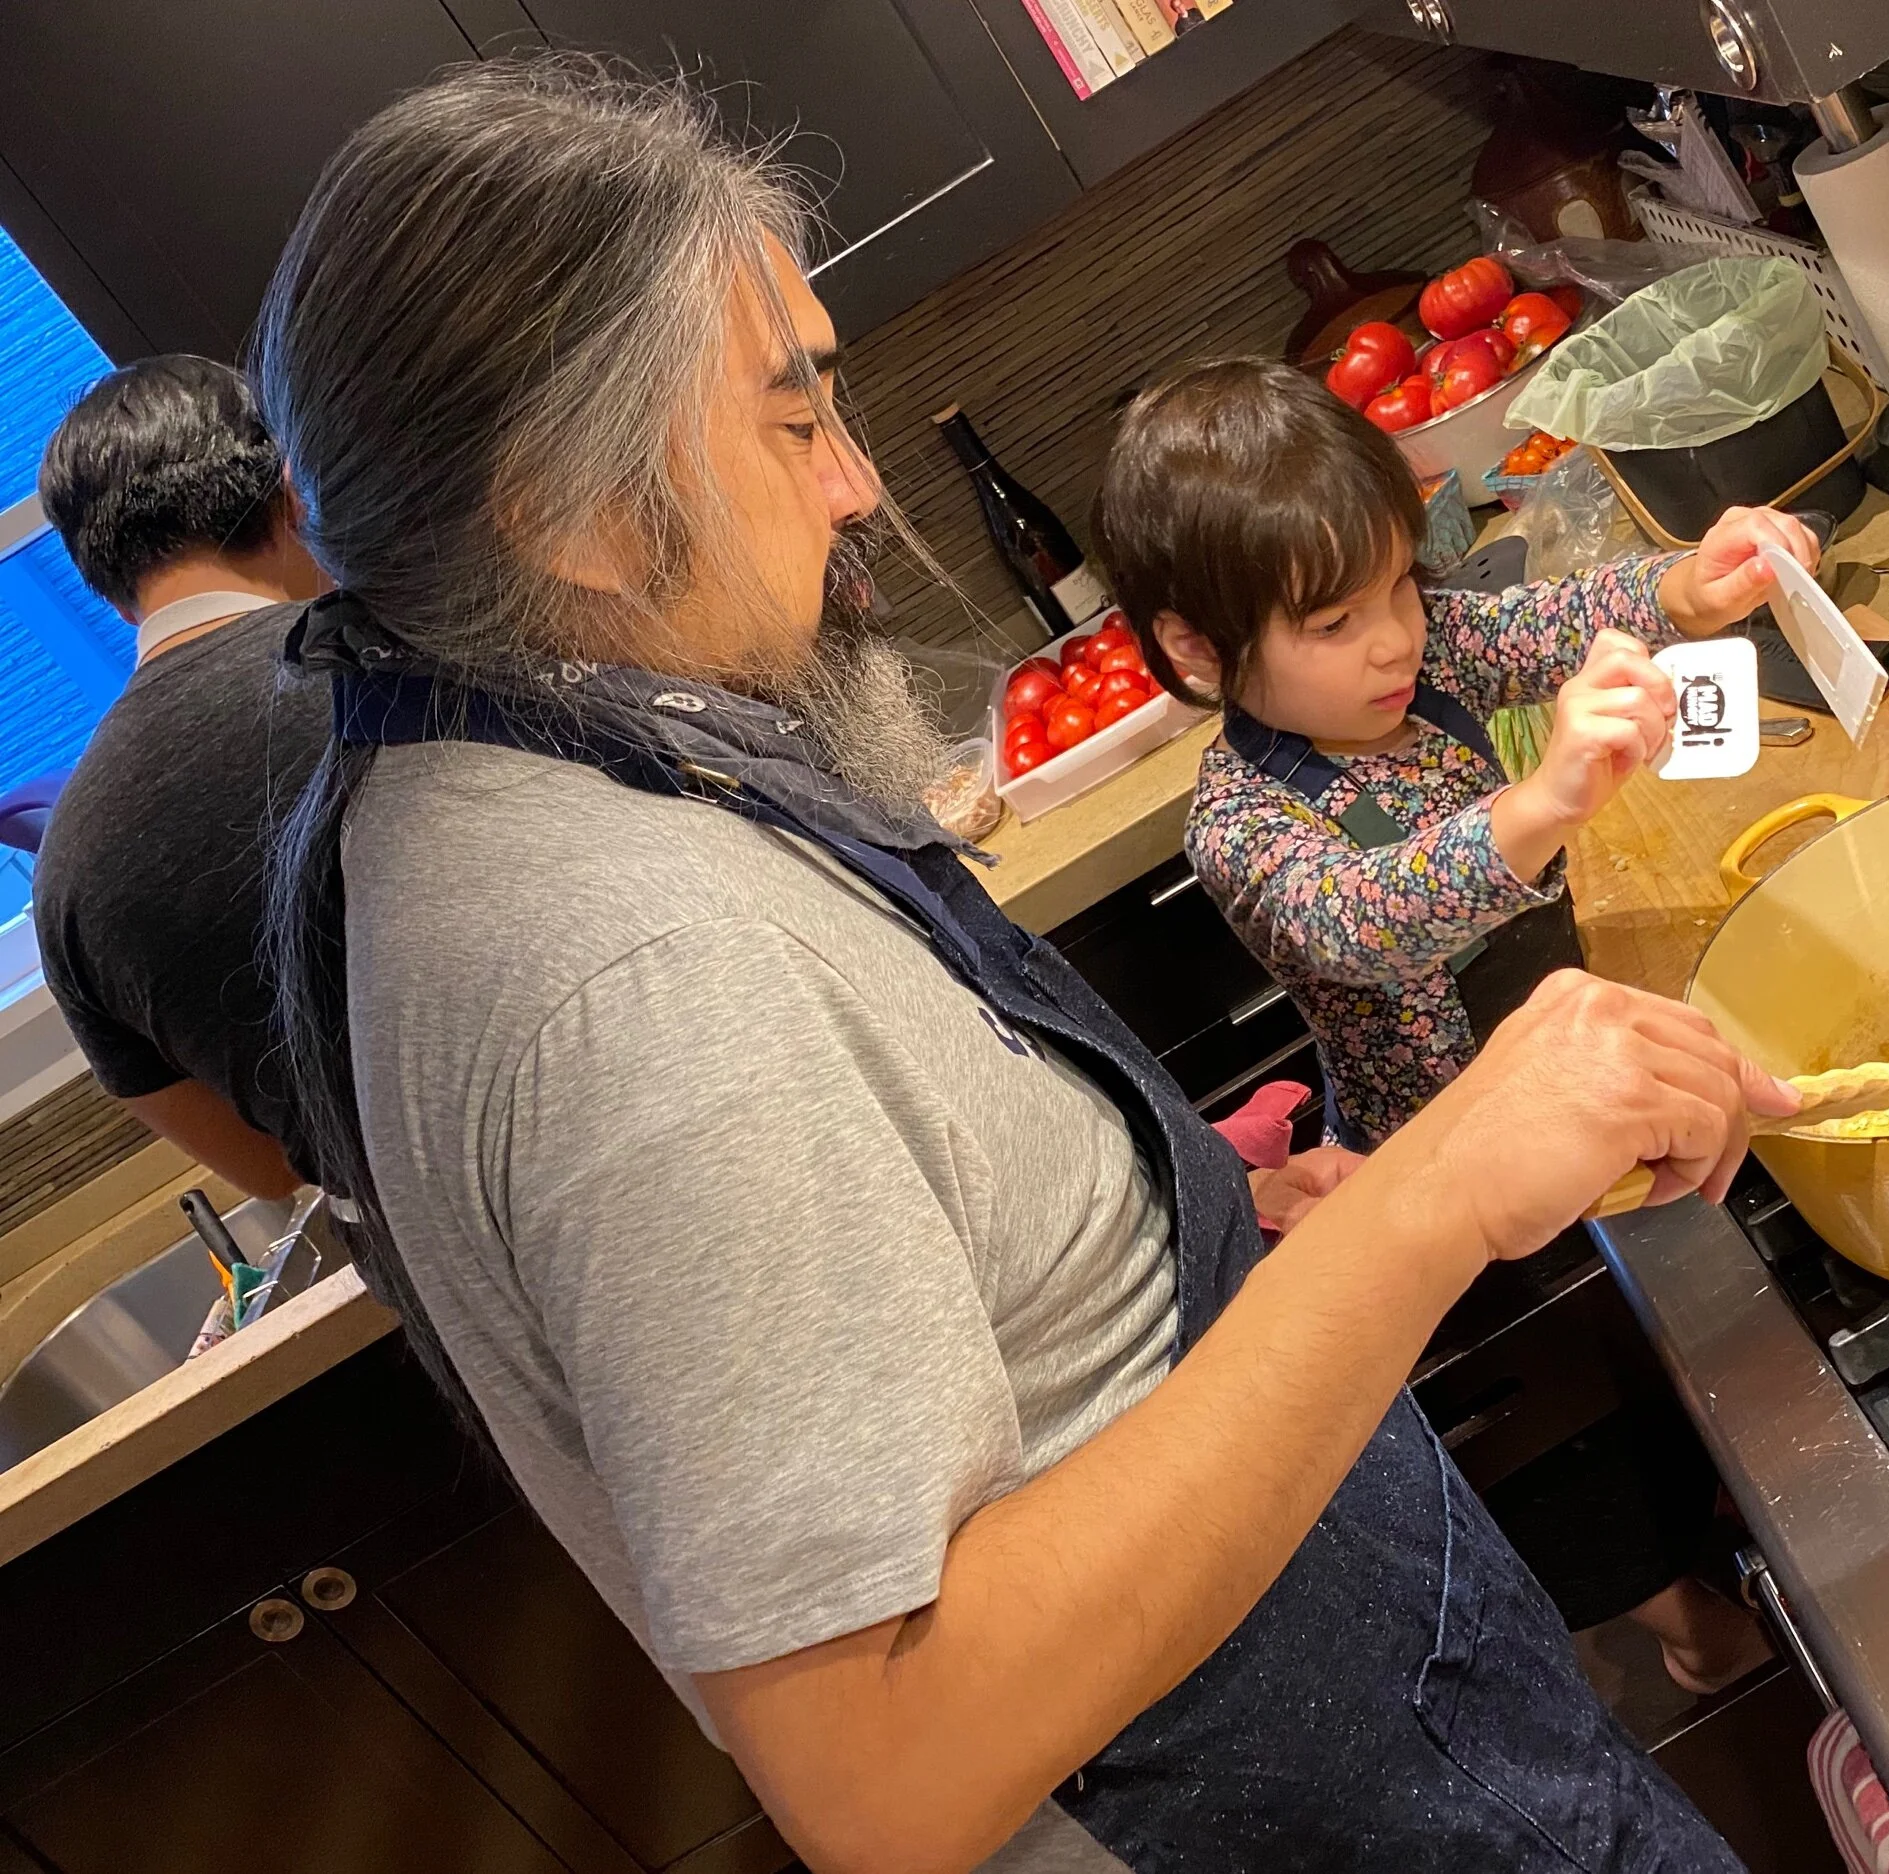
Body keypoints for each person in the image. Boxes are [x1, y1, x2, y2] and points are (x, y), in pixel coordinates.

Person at [252, 57, 1794, 1874]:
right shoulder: (636, 972)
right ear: (560, 510)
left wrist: (1146, 1223)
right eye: (788, 417)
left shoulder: (506, 782)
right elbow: (893, 1768)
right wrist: (1438, 1183)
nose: (851, 488)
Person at [1093, 359, 1812, 1693]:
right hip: (1445, 1165)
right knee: (1566, 1411)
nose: (1392, 642)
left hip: (1573, 1063)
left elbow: (1542, 620)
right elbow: (1370, 919)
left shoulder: (1422, 663)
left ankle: (1729, 1504)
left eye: (1399, 590)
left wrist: (1684, 590)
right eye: (1330, 620)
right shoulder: (1240, 823)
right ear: (1197, 649)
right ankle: (1674, 1617)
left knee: (1672, 1327)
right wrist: (1541, 800)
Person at [33, 355, 331, 1199]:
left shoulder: (68, 880)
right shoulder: (407, 655)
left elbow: (264, 1172)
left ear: (105, 585)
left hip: (446, 1285)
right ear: (288, 491)